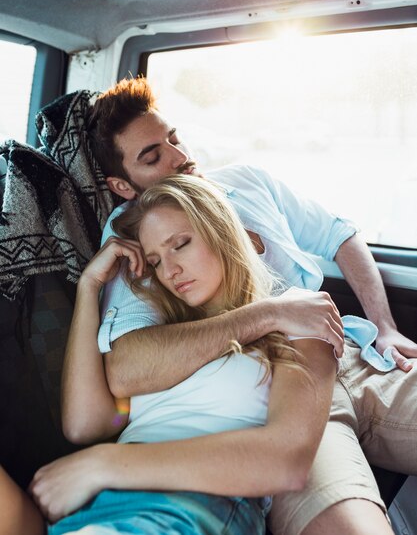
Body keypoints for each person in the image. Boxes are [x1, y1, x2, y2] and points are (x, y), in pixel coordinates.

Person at [85, 76, 417, 535]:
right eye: (153, 156)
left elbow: (340, 233)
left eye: (174, 138)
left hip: (352, 351)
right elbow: (127, 369)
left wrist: (385, 326)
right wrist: (271, 315)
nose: (179, 157)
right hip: (278, 389)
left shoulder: (246, 180)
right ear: (124, 186)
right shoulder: (132, 233)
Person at [2, 174, 338, 535]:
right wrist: (89, 286)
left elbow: (285, 462)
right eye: (155, 260)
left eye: (180, 244)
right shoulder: (163, 343)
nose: (170, 271)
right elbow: (85, 424)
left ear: (220, 229)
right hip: (96, 501)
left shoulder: (297, 317)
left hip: (190, 506)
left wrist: (103, 463)